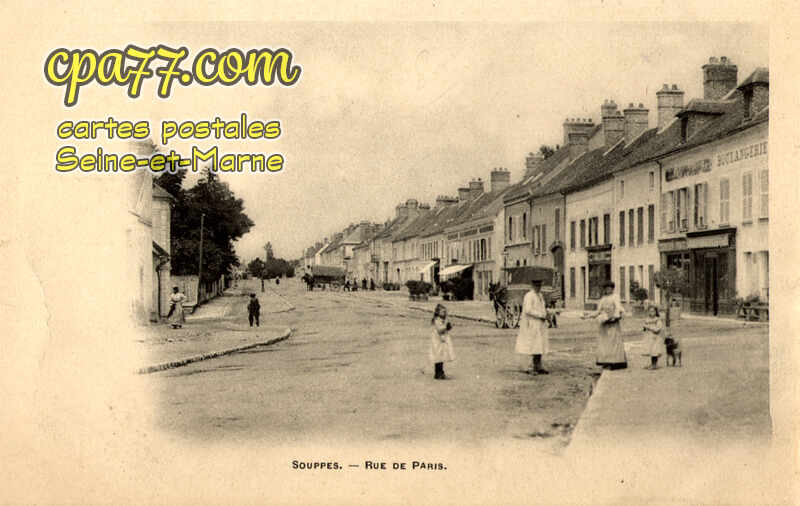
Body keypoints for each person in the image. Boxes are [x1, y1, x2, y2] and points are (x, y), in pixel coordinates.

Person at [583, 280, 627, 370]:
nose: (608, 290)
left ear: (612, 289)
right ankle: (606, 361)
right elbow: (598, 311)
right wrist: (589, 316)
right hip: (604, 323)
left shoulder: (615, 297)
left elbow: (618, 307)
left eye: (609, 288)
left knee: (613, 342)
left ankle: (615, 362)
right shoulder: (603, 299)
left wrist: (614, 317)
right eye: (606, 288)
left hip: (612, 322)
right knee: (604, 343)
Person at [515, 278, 550, 374]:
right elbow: (528, 310)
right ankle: (528, 367)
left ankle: (538, 366)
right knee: (531, 344)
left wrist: (546, 314)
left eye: (540, 285)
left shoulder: (540, 295)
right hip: (531, 323)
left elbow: (542, 307)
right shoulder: (529, 296)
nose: (538, 287)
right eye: (536, 285)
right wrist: (541, 315)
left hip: (539, 324)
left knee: (539, 345)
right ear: (532, 285)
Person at [430, 304, 455, 379]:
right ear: (438, 313)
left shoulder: (442, 320)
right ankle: (438, 373)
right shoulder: (437, 320)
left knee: (441, 356)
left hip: (441, 340)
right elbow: (439, 329)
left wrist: (448, 327)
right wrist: (446, 327)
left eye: (445, 312)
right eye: (443, 312)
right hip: (437, 340)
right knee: (438, 356)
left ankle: (440, 372)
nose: (444, 313)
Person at [642, 305, 664, 369]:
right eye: (650, 311)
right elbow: (644, 327)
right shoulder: (647, 319)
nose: (651, 313)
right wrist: (644, 327)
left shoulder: (657, 319)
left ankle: (655, 364)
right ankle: (652, 364)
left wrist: (649, 327)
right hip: (649, 337)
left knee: (655, 351)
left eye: (653, 311)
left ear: (656, 312)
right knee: (651, 350)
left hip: (655, 337)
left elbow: (658, 329)